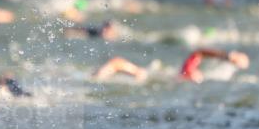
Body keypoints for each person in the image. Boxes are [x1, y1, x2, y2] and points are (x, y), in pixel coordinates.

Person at [92, 48, 249, 84]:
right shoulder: (185, 73)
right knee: (137, 71)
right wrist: (227, 57)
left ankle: (101, 73)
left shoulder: (186, 78)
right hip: (150, 76)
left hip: (154, 78)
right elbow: (198, 52)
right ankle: (101, 72)